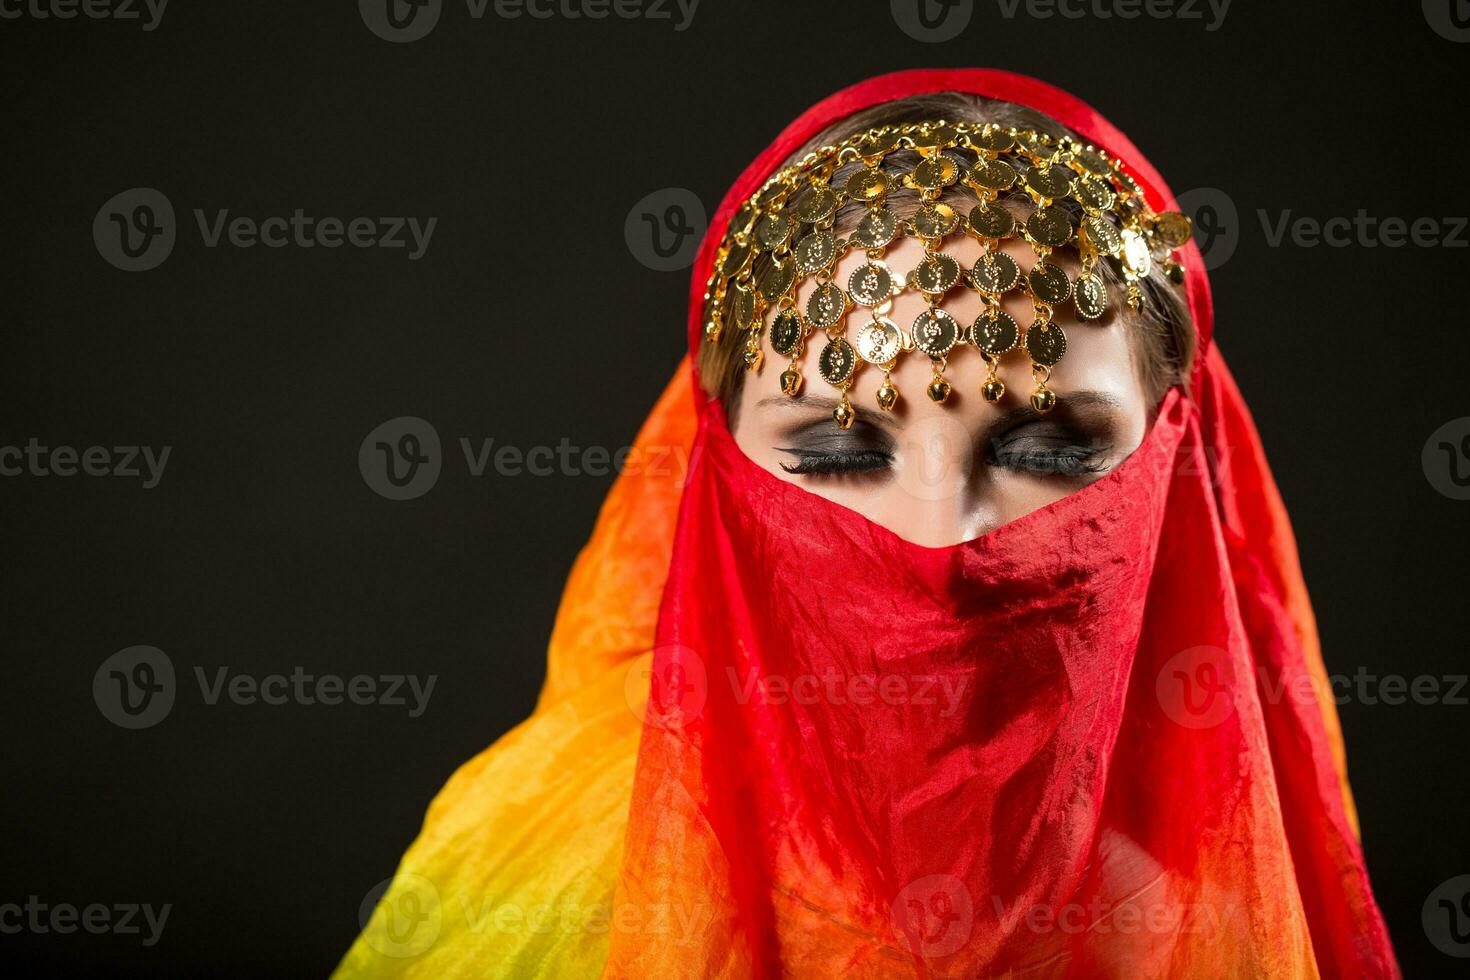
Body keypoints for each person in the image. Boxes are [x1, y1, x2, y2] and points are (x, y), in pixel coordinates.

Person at [336, 69, 1399, 978]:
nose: (940, 541)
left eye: (1048, 448)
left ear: (1173, 453)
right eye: (840, 449)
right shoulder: (534, 878)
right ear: (716, 471)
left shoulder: (1217, 928)